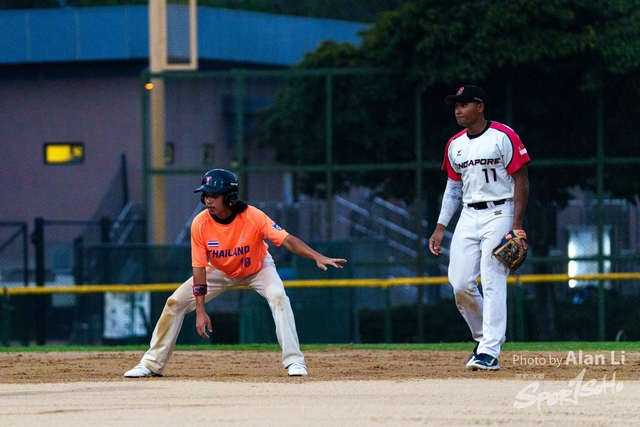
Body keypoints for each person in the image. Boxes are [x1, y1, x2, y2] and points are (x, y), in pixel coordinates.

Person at [125, 168, 347, 378]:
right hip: (220, 271)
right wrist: (200, 310)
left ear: (230, 198)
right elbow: (199, 268)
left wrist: (317, 256)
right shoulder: (200, 224)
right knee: (174, 303)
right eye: (205, 195)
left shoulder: (253, 216)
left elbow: (287, 240)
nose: (207, 200)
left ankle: (294, 361)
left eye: (214, 195)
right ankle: (151, 364)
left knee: (279, 296)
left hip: (258, 268)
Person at [428, 85, 530, 371]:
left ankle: (489, 351)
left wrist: (517, 225)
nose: (458, 109)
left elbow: (521, 180)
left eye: (464, 104)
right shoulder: (455, 144)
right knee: (459, 283)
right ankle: (485, 338)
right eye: (456, 105)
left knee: (493, 277)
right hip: (469, 215)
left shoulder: (503, 136)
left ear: (480, 106)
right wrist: (440, 226)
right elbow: (453, 188)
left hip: (500, 210)